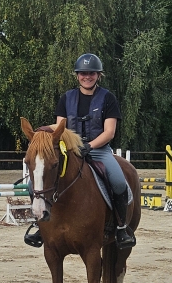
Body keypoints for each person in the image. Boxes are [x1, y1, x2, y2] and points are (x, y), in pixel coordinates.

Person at [25, 53, 136, 249]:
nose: (87, 76)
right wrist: (41, 130)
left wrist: (90, 146)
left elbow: (109, 132)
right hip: (70, 150)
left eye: (91, 73)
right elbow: (60, 127)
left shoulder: (107, 98)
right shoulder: (66, 98)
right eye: (83, 73)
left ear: (98, 75)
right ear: (77, 75)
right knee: (31, 184)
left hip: (99, 149)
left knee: (119, 182)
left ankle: (121, 228)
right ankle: (40, 224)